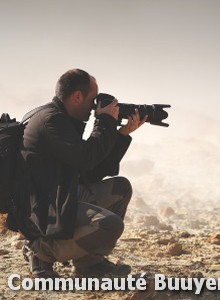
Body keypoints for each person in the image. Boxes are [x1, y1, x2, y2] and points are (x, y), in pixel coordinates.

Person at [8, 69, 147, 278]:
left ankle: (89, 263)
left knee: (121, 188)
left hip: (62, 196)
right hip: (42, 209)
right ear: (77, 96)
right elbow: (87, 158)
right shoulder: (51, 121)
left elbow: (90, 170)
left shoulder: (63, 119)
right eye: (93, 101)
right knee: (110, 225)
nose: (94, 108)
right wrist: (105, 121)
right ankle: (40, 252)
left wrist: (120, 135)